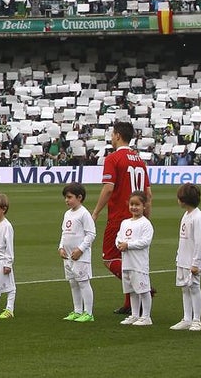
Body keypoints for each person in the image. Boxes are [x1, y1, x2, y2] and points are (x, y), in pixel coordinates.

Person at [91, 121, 153, 315]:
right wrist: (146, 218)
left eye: (112, 134)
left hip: (119, 216)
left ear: (117, 136)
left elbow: (109, 188)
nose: (111, 137)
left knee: (109, 258)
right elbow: (148, 194)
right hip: (138, 216)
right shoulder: (139, 160)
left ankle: (142, 286)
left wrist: (96, 212)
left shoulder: (113, 158)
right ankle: (130, 302)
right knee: (127, 255)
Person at [171, 183, 201, 331]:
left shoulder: (197, 218)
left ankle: (197, 320)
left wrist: (196, 263)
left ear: (184, 199)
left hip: (193, 261)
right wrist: (179, 257)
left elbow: (200, 242)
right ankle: (187, 318)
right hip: (183, 259)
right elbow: (183, 239)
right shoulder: (186, 215)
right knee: (185, 288)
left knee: (194, 288)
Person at [59, 183, 97, 323]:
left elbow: (91, 234)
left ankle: (88, 313)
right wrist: (61, 247)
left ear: (79, 197)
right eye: (65, 197)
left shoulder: (84, 214)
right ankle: (77, 310)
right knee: (73, 283)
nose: (66, 200)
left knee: (83, 283)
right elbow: (64, 233)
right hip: (68, 256)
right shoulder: (67, 214)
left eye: (69, 197)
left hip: (80, 256)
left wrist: (80, 249)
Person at [116, 191, 154, 326]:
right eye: (131, 204)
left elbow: (145, 241)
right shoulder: (125, 223)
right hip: (127, 263)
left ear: (144, 206)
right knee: (131, 291)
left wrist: (128, 245)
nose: (134, 207)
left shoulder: (145, 224)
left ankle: (146, 317)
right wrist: (119, 244)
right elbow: (119, 237)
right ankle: (134, 315)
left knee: (143, 290)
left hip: (139, 264)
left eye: (137, 205)